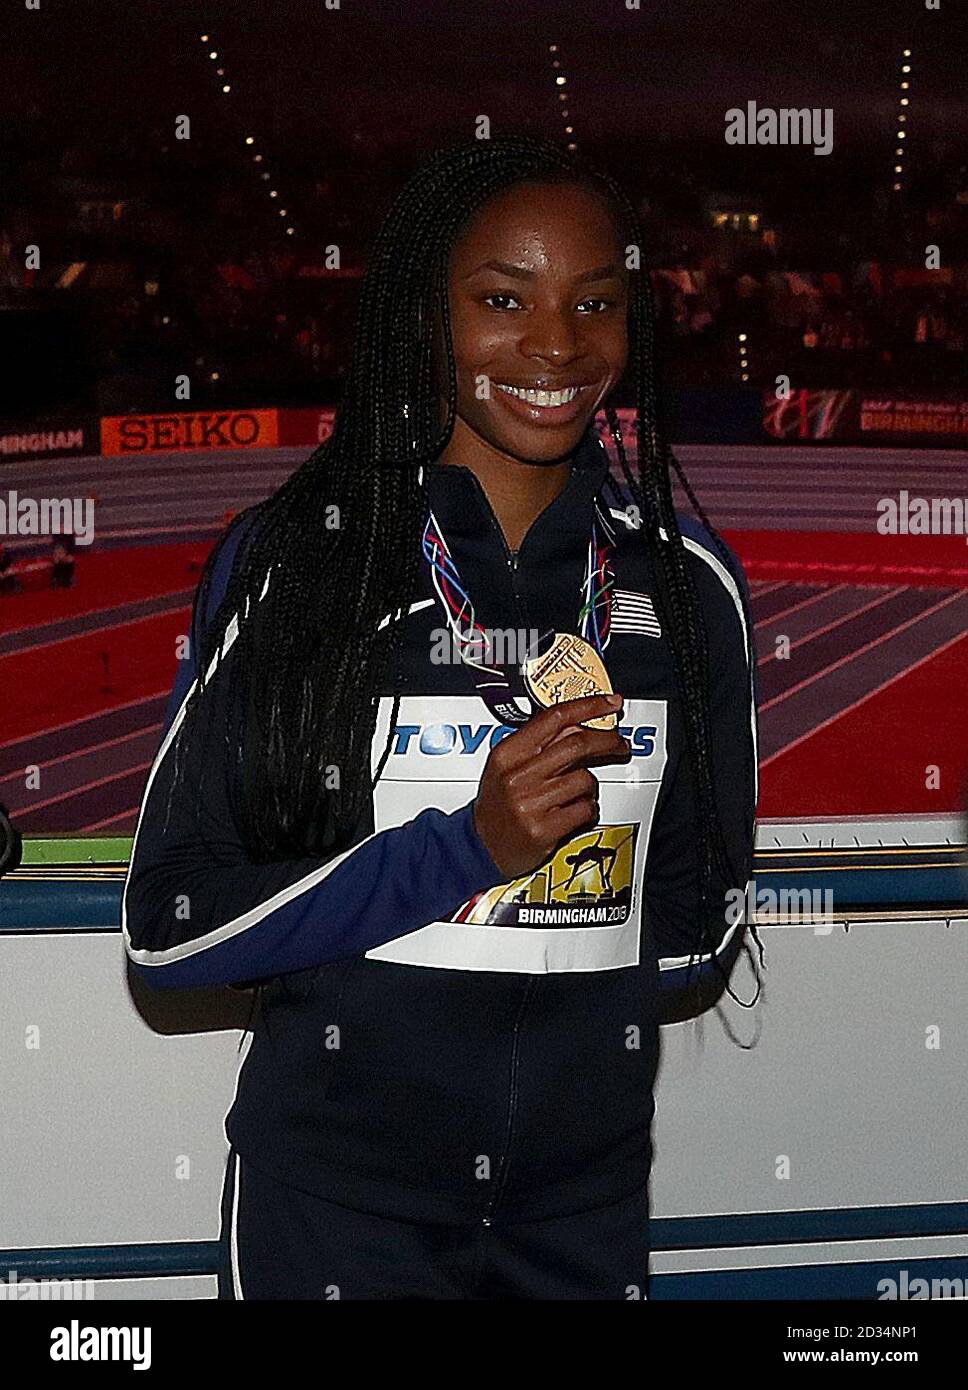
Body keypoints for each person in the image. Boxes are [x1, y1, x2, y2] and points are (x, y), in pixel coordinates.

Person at [122, 135, 759, 1301]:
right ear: (428, 313)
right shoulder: (300, 567)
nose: (557, 344)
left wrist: (550, 931)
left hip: (582, 1213)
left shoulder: (682, 591)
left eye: (596, 303)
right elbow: (169, 924)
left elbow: (697, 926)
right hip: (336, 1215)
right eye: (503, 299)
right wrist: (464, 852)